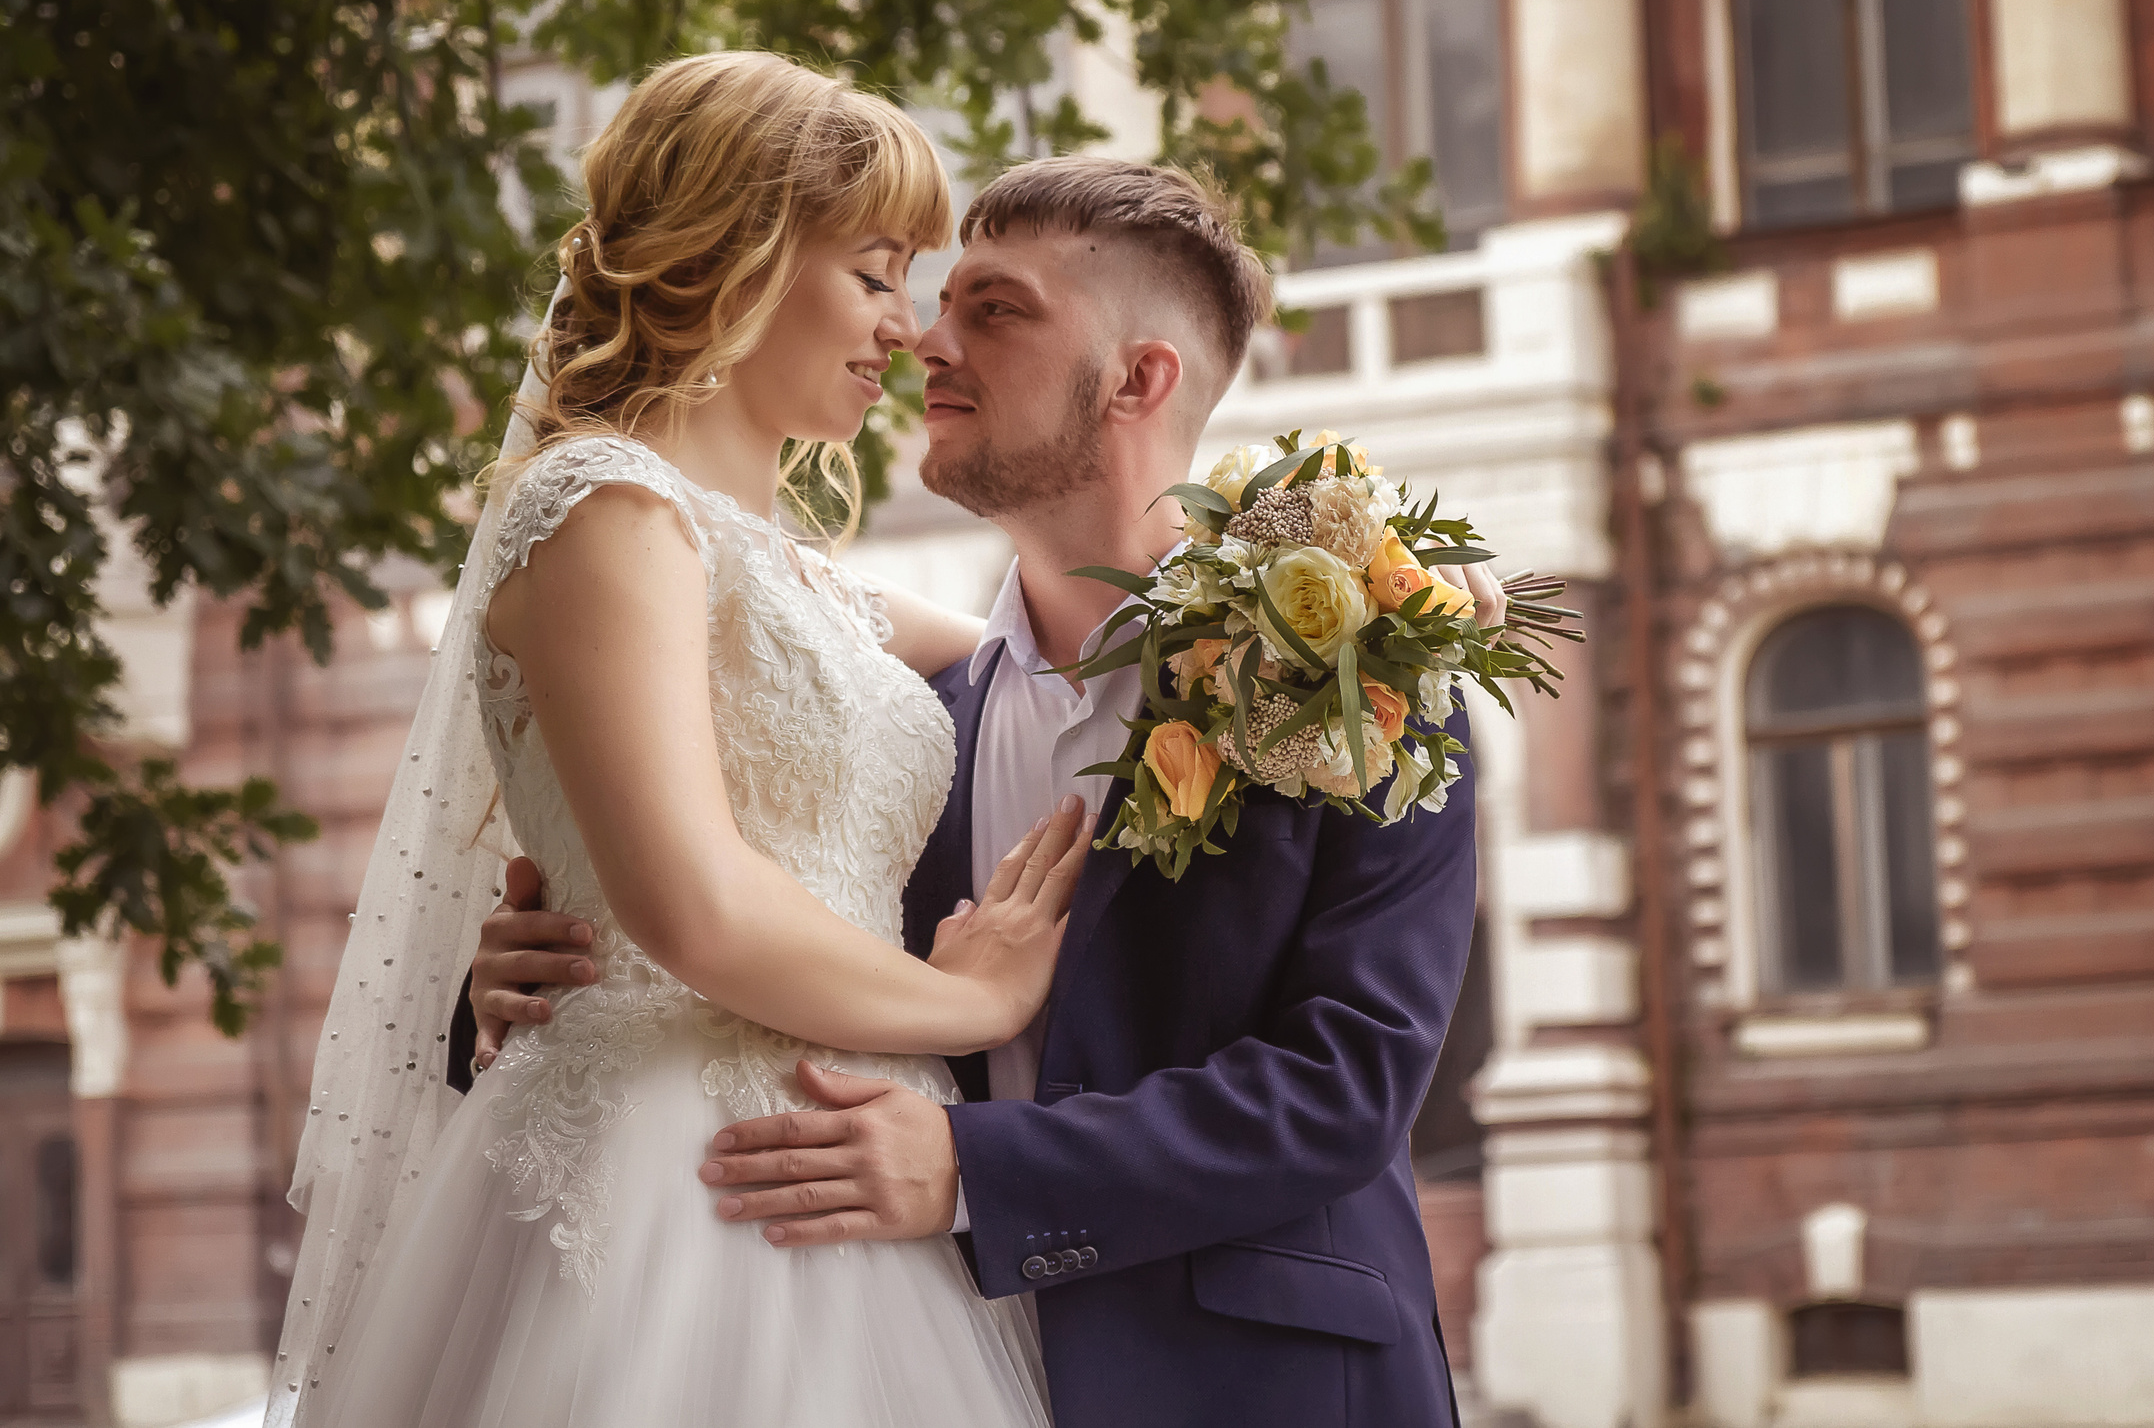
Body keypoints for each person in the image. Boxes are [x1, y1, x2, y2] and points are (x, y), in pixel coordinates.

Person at [471, 154, 1490, 1426]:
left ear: (1137, 379)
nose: (925, 340)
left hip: (1261, 1385)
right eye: (933, 299)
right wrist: (530, 979)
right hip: (875, 1360)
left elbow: (1347, 1082)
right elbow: (740, 954)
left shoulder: (1358, 678)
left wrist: (975, 1171)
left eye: (994, 310)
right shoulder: (901, 727)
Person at [266, 51, 1085, 1427]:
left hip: (859, 1165)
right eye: (874, 275)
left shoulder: (800, 581)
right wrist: (977, 1004)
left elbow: (1062, 646)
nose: (905, 330)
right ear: (739, 252)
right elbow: (690, 905)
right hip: (677, 1165)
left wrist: (1371, 590)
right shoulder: (604, 512)